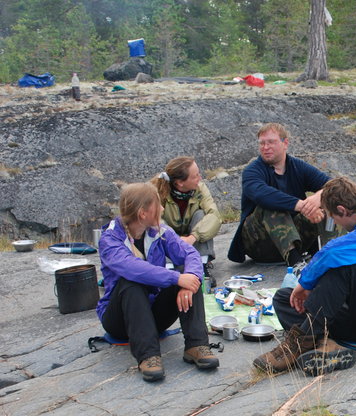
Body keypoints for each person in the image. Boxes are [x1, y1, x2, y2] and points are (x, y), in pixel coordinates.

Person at [253, 176, 356, 377]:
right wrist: (305, 290)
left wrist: (305, 283)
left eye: (333, 217)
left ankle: (301, 341)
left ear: (342, 210)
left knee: (348, 268)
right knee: (284, 298)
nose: (336, 224)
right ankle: (328, 344)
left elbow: (332, 252)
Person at [97, 182, 219, 382]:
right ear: (143, 213)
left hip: (153, 315)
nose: (162, 208)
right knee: (132, 283)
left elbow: (189, 253)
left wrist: (189, 281)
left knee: (188, 275)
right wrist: (177, 278)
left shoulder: (160, 231)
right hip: (120, 320)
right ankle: (148, 356)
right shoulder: (110, 240)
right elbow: (133, 268)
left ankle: (196, 345)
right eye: (158, 204)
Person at [228, 123, 331, 266]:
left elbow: (333, 185)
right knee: (270, 204)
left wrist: (317, 198)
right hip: (259, 243)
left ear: (285, 143)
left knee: (330, 202)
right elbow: (261, 194)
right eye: (262, 143)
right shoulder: (252, 171)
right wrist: (302, 206)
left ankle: (333, 253)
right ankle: (296, 265)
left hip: (297, 239)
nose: (265, 147)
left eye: (271, 142)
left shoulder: (297, 166)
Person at [151, 156, 221, 287]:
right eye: (195, 176)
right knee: (158, 222)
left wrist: (193, 237)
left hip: (191, 235)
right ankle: (168, 267)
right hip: (169, 239)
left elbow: (215, 216)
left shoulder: (200, 188)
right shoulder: (157, 191)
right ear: (179, 183)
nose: (200, 178)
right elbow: (153, 222)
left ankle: (202, 265)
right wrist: (175, 240)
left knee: (202, 215)